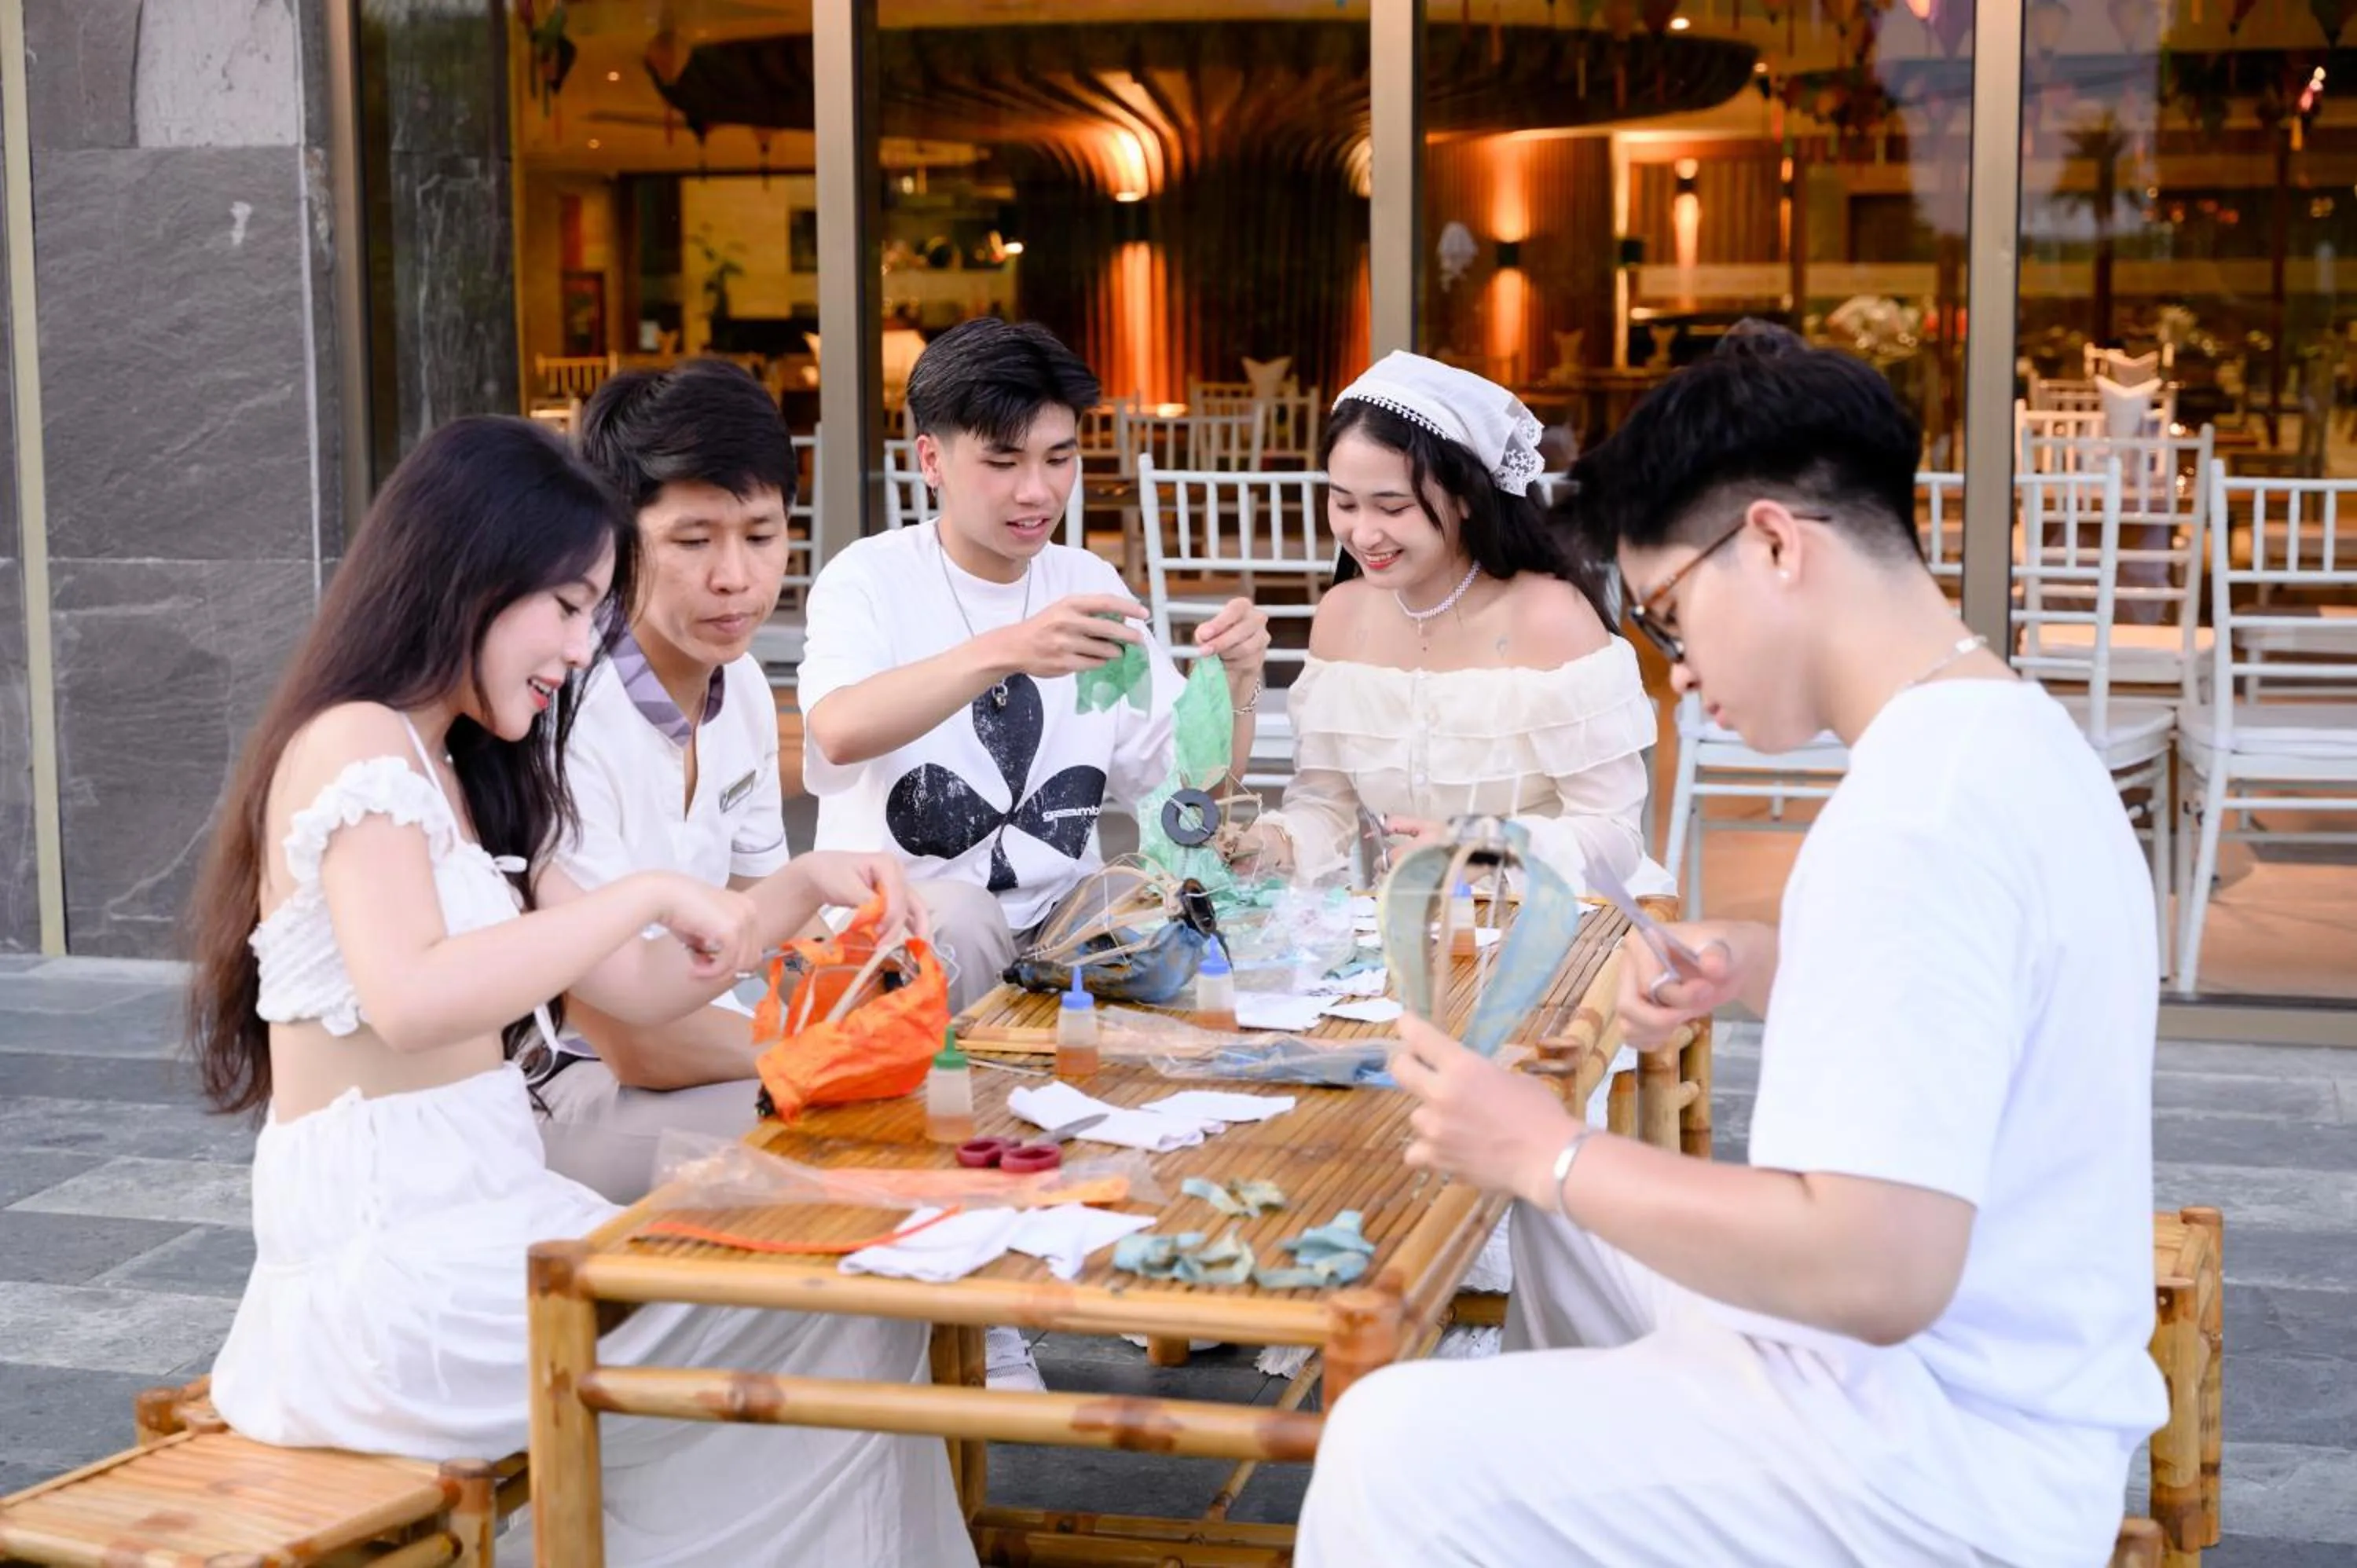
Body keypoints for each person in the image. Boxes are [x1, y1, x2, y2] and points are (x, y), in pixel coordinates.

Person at [1296, 325, 2166, 1567]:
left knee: (1391, 1450)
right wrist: (1764, 959)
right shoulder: (2000, 737)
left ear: (1772, 542)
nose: (1683, 674)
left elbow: (1879, 1272)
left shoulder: (1918, 817)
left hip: (1933, 1451)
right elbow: (1986, 991)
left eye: (1670, 616)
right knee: (1561, 1229)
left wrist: (1548, 1149)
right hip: (1990, 1381)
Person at [182, 416, 973, 1567]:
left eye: (591, 611)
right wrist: (646, 889)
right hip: (387, 1279)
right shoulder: (352, 744)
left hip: (498, 1220)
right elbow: (409, 996)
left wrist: (808, 881)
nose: (577, 645)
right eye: (563, 606)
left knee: (854, 1297)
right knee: (821, 1322)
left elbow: (646, 984)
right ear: (466, 574)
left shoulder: (469, 771)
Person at [797, 317, 1271, 1011]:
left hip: (1059, 924)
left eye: (1058, 459)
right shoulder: (869, 579)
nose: (1038, 492)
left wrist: (1235, 683)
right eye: (1003, 462)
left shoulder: (1090, 587)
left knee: (1153, 900)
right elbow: (838, 730)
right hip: (906, 929)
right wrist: (1008, 650)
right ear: (931, 460)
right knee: (962, 916)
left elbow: (1192, 790)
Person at [533, 358, 918, 1207]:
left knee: (919, 1067)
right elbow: (634, 1040)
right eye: (694, 540)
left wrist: (866, 976)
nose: (736, 577)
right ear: (614, 537)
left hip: (680, 1049)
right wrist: (838, 1053)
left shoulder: (736, 684)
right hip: (565, 1087)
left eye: (762, 533)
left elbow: (761, 899)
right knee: (854, 1142)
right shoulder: (564, 712)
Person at [1224, 351, 1658, 899]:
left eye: (1392, 507)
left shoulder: (1552, 618)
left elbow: (1615, 835)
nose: (1363, 534)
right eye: (1344, 503)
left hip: (1561, 921)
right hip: (1416, 931)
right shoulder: (1342, 615)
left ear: (1467, 499)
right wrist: (1268, 844)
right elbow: (1325, 807)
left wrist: (1486, 848)